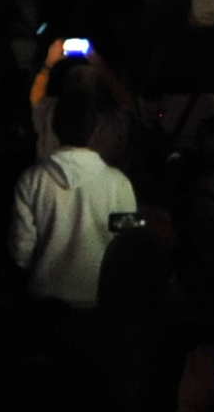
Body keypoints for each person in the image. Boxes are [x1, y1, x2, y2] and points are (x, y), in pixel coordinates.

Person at [8, 58, 138, 310]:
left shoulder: (32, 179)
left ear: (55, 126)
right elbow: (126, 241)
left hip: (43, 299)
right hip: (98, 297)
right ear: (93, 130)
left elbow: (21, 250)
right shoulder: (118, 183)